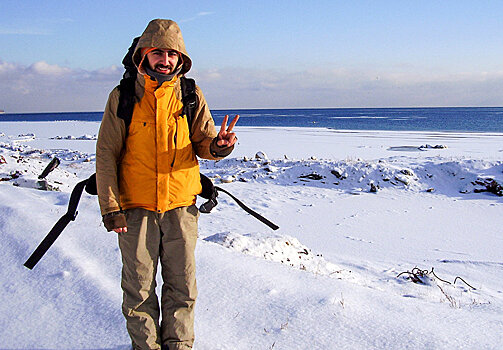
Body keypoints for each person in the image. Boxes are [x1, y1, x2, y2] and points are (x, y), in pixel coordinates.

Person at [96, 19, 239, 350]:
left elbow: (203, 141)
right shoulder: (122, 97)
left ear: (181, 58)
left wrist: (219, 147)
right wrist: (111, 207)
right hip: (135, 211)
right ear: (143, 54)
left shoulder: (190, 94)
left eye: (172, 54)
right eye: (158, 52)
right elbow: (106, 155)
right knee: (139, 291)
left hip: (181, 209)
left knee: (183, 288)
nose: (165, 60)